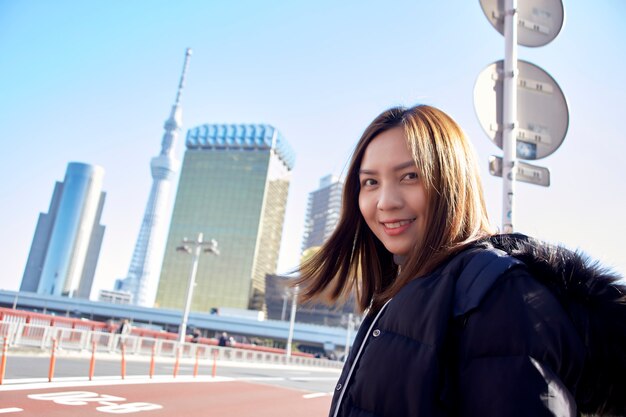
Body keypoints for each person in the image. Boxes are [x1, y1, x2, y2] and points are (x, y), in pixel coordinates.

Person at [296, 105, 626, 417]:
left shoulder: (495, 292)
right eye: (371, 182)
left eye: (410, 176)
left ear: (452, 182)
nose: (385, 202)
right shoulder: (405, 292)